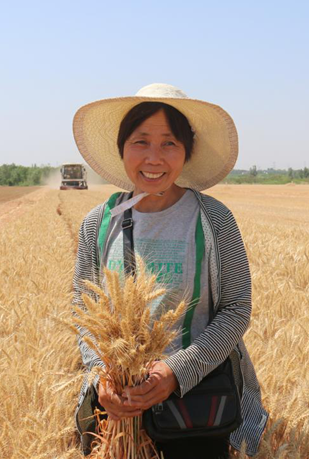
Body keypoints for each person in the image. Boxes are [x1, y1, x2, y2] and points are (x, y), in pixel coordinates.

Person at [71, 83, 268, 458]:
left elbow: (236, 308)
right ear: (121, 148)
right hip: (117, 409)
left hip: (196, 403)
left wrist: (176, 371)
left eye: (169, 144)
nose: (153, 157)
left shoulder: (214, 219)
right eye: (140, 141)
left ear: (187, 152)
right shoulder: (97, 223)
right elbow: (82, 306)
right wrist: (101, 376)